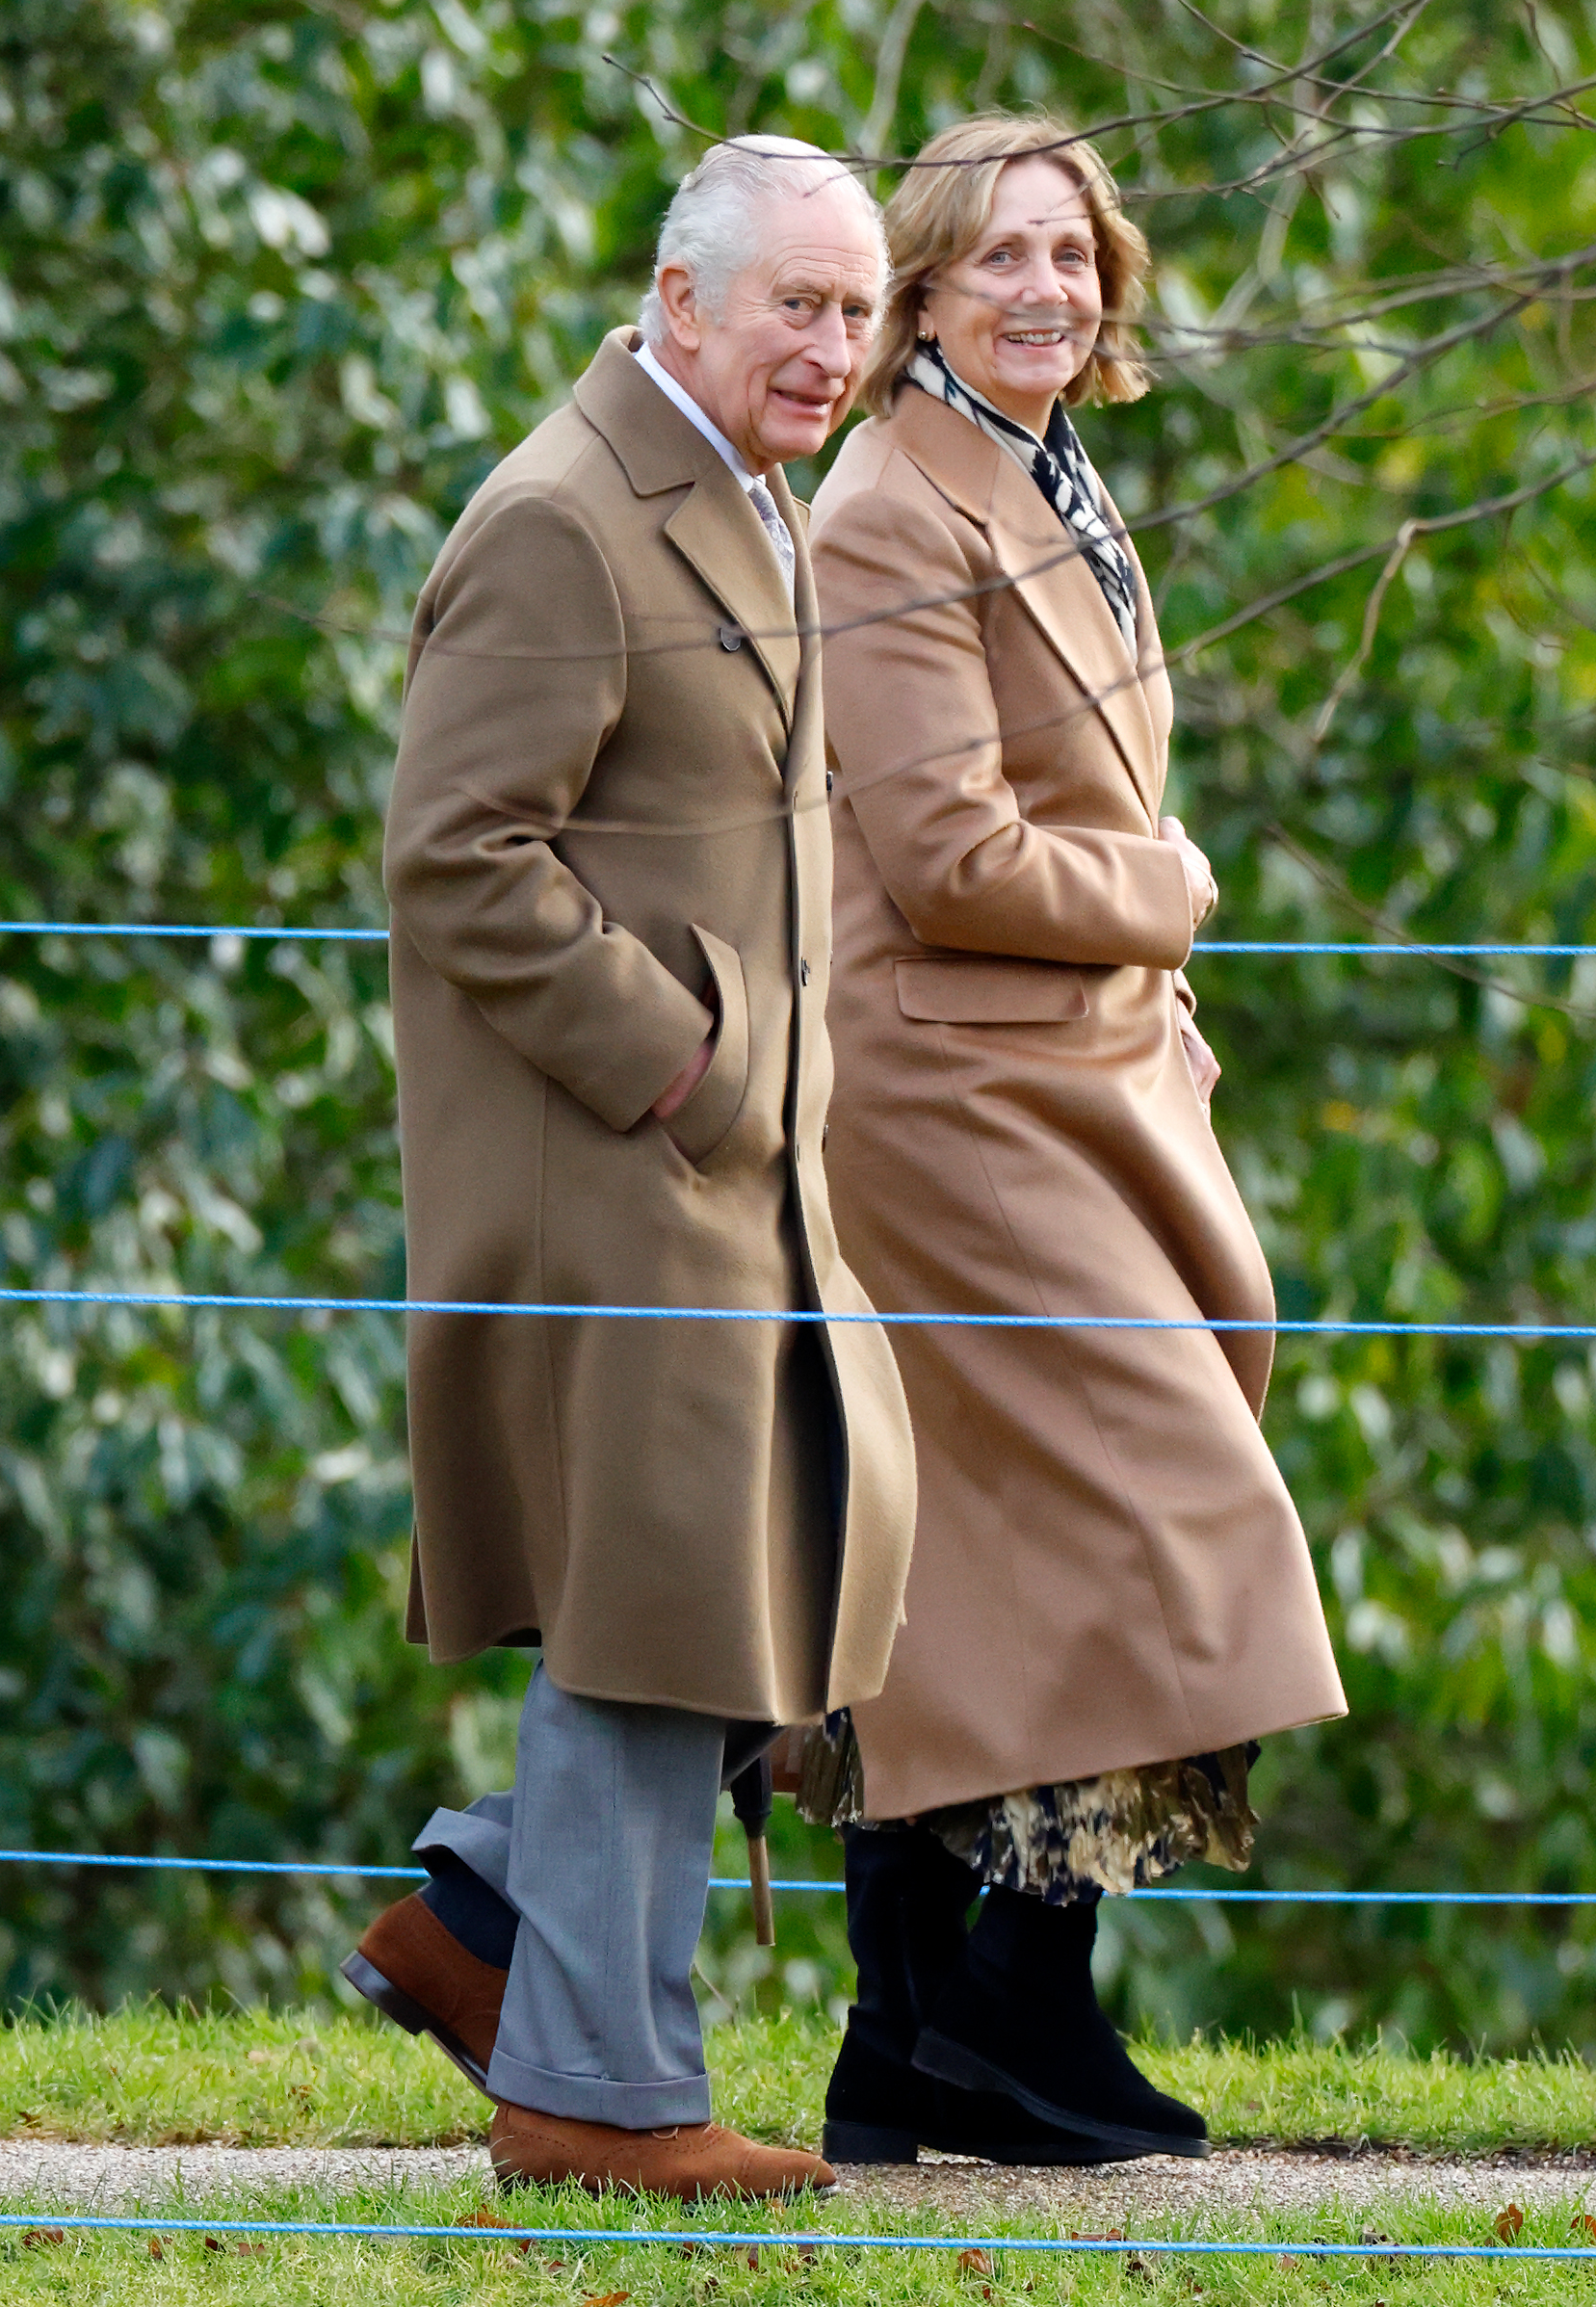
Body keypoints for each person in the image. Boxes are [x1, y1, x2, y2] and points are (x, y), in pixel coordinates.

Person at [342, 134, 916, 2203]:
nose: (831, 347)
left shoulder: (737, 494)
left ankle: (488, 1923)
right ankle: (595, 2091)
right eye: (797, 304)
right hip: (614, 1165)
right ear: (682, 303)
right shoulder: (561, 520)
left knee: (765, 1566)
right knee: (645, 1611)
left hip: (726, 1170)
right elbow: (451, 855)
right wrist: (676, 1054)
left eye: (855, 312)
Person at [802, 114, 1347, 2166]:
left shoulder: (1034, 466)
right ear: (923, 287)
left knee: (966, 1578)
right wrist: (1167, 887)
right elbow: (944, 855)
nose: (1046, 285)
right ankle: (1014, 2006)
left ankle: (915, 2039)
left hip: (1076, 1076)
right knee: (1166, 1509)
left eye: (1071, 253)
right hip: (956, 1096)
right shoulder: (884, 506)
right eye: (999, 255)